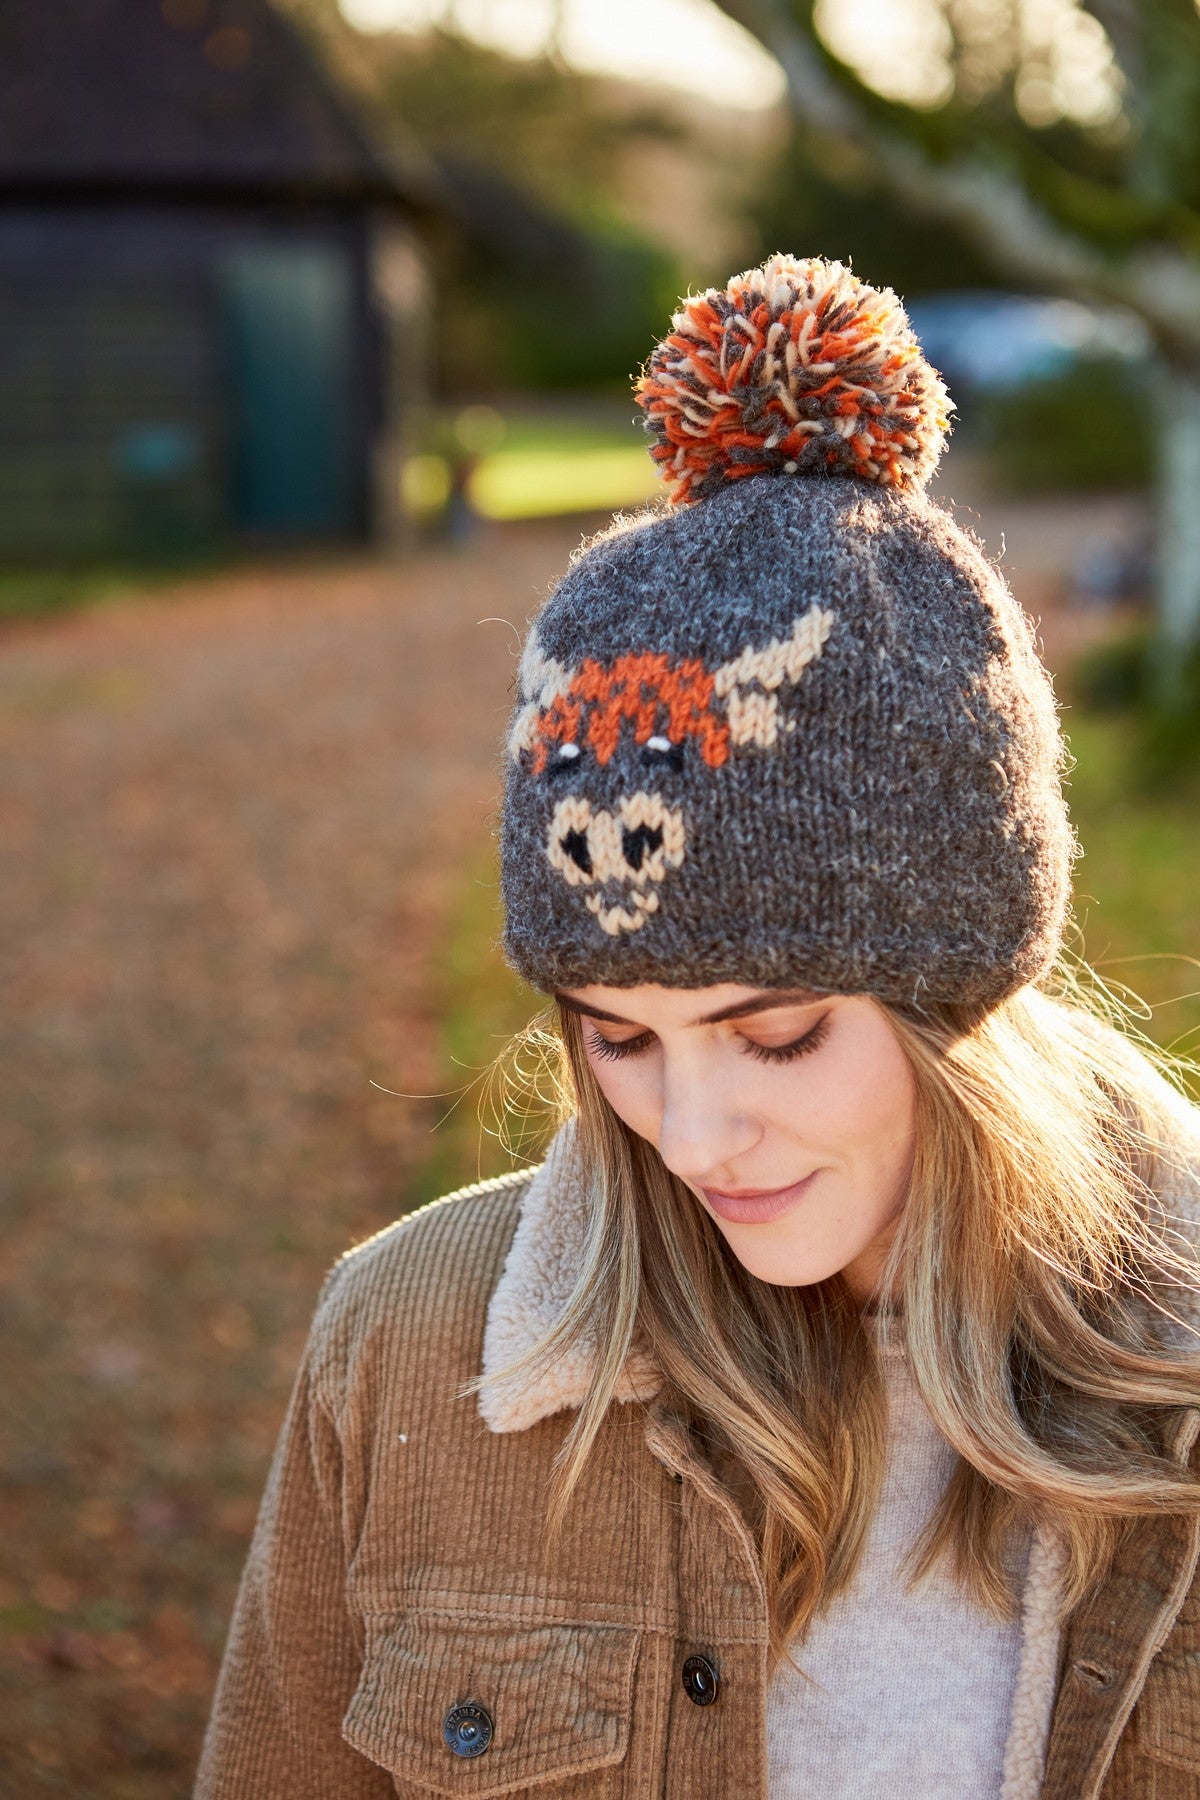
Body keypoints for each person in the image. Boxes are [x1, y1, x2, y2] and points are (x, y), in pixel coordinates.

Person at [195, 255, 1200, 1799]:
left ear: (965, 993)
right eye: (615, 1036)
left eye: (778, 1033)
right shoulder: (406, 1352)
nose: (694, 1137)